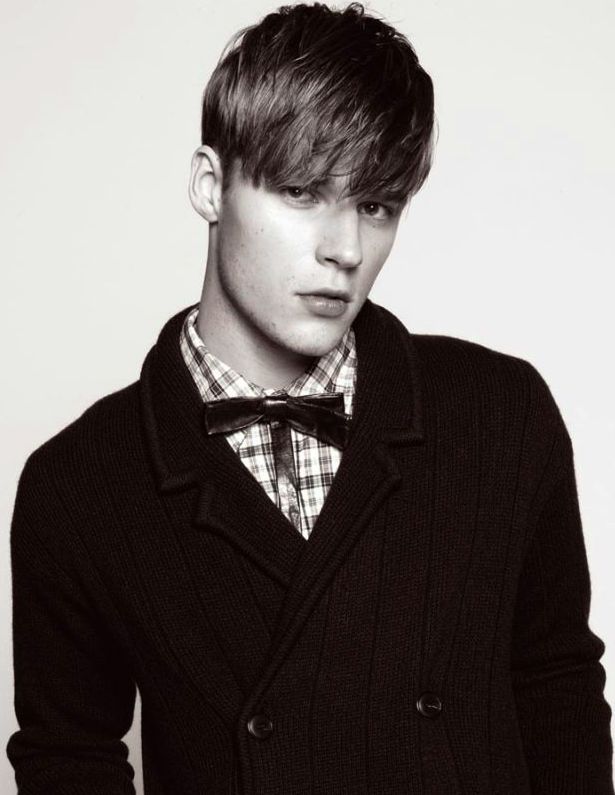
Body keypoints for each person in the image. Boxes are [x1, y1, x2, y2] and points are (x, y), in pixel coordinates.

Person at [6, 2, 614, 793]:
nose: (345, 249)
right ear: (210, 185)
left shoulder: (499, 414)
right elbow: (69, 758)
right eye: (300, 191)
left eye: (375, 205)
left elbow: (556, 684)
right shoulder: (78, 484)